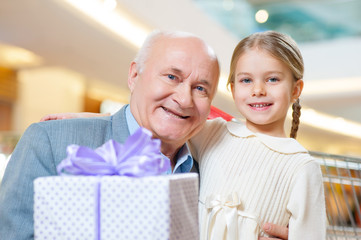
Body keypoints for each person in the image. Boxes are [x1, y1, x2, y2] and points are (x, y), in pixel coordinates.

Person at [0, 30, 289, 240]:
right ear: (134, 76)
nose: (184, 99)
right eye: (172, 77)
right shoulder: (51, 143)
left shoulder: (215, 169)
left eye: (201, 88)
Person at [190, 31, 326, 239]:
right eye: (246, 80)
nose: (258, 90)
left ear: (295, 90)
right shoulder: (212, 132)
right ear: (233, 89)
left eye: (272, 79)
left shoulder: (301, 167)